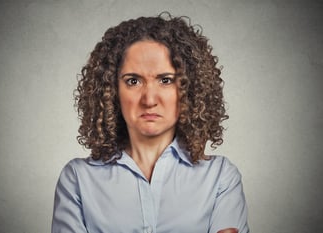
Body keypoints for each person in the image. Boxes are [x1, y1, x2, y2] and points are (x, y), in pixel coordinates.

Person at [52, 12, 249, 233]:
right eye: (133, 81)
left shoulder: (220, 177)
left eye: (165, 80)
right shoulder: (77, 179)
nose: (149, 100)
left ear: (189, 89)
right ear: (111, 90)